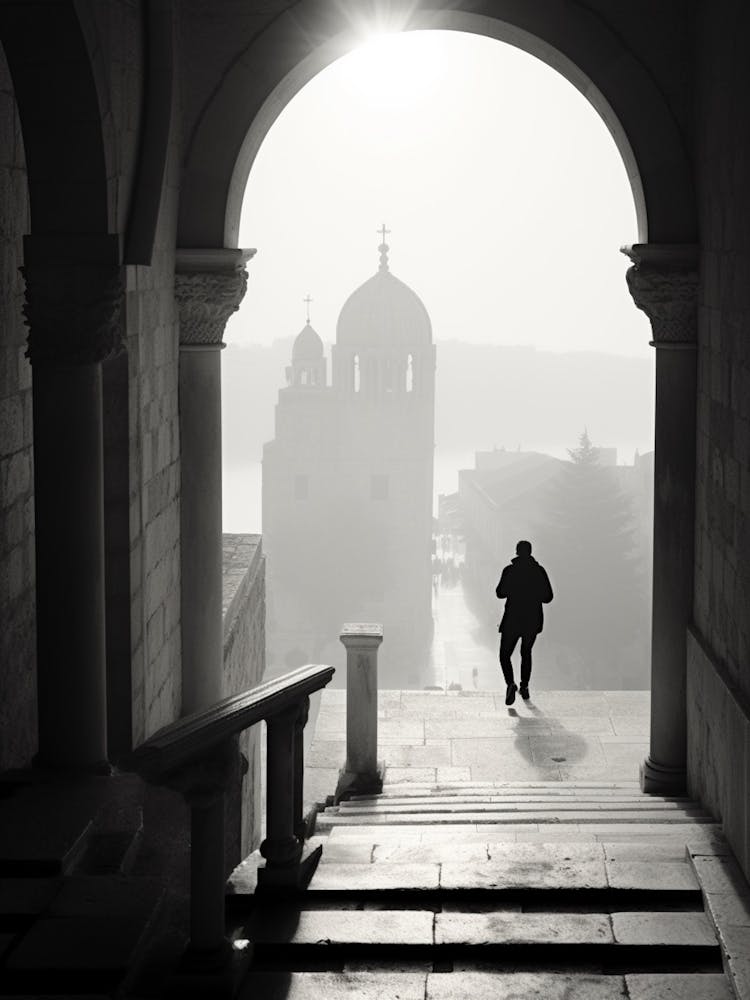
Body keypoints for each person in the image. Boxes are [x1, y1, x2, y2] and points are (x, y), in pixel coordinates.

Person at [496, 540, 553, 705]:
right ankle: (524, 686)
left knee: (504, 654)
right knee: (526, 652)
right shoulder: (539, 571)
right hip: (532, 619)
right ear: (530, 552)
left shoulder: (510, 571)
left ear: (516, 552)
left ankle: (510, 684)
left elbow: (500, 593)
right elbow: (548, 597)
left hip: (513, 618)